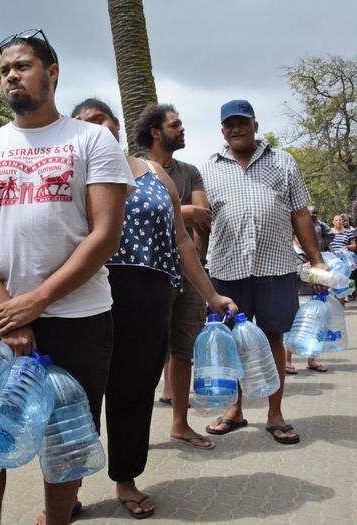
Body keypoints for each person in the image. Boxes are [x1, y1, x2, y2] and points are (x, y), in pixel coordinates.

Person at [0, 31, 136, 525]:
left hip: (79, 316)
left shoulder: (91, 140)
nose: (11, 75)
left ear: (53, 73)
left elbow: (104, 235)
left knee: (66, 440)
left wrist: (38, 302)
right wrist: (9, 311)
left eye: (23, 65)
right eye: (5, 69)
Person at [72, 98, 236, 519]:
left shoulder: (153, 172)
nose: (93, 129)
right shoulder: (68, 174)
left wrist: (211, 294)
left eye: (100, 121)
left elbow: (182, 241)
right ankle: (65, 490)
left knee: (133, 392)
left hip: (148, 294)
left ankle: (125, 480)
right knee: (78, 397)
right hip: (87, 291)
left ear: (116, 125)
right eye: (84, 123)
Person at [201, 99, 326, 445]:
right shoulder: (209, 168)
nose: (236, 129)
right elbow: (200, 223)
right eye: (229, 124)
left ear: (255, 125)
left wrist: (316, 260)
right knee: (231, 342)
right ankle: (235, 411)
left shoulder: (283, 161)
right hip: (227, 267)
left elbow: (300, 214)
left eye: (242, 122)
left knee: (273, 336)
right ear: (222, 130)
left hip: (276, 266)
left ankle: (275, 414)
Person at [134, 102, 214, 450]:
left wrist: (179, 213)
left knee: (183, 350)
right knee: (143, 354)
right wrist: (185, 211)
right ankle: (134, 434)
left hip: (190, 272)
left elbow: (204, 214)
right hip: (150, 274)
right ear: (156, 132)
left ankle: (180, 424)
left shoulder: (190, 171)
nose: (182, 129)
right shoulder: (132, 168)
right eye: (175, 124)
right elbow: (130, 213)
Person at [285, 236, 328, 374]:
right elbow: (287, 272)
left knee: (314, 327)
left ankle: (312, 359)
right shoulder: (288, 250)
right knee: (293, 328)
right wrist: (302, 269)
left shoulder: (313, 252)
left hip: (314, 295)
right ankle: (287, 360)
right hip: (296, 294)